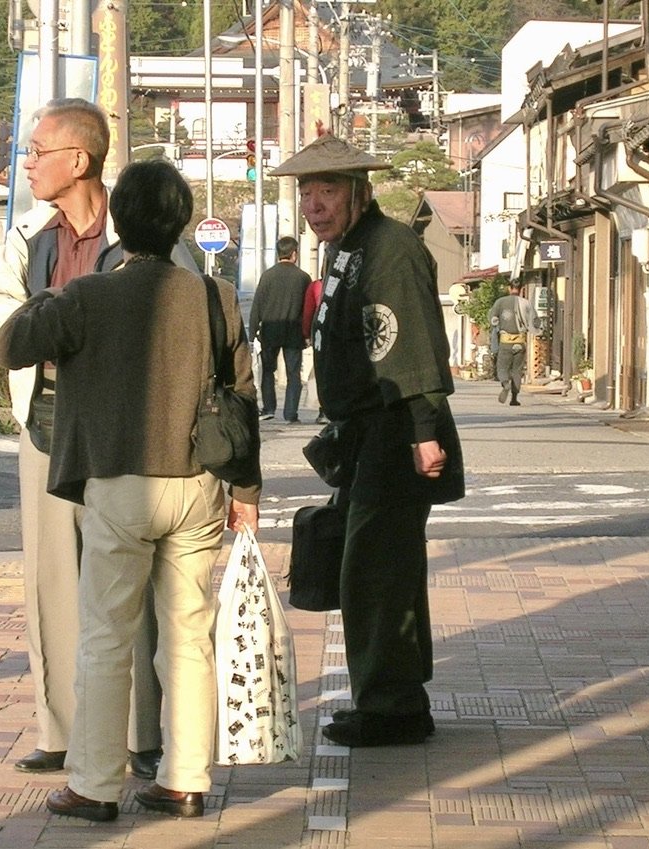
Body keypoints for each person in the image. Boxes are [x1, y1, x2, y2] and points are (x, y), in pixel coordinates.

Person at [0, 159, 262, 821]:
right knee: (188, 634)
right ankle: (184, 778)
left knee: (106, 637)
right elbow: (243, 394)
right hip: (198, 482)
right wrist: (246, 490)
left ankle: (94, 783)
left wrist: (52, 302)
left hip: (117, 480)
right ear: (180, 224)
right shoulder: (212, 295)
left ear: (121, 220)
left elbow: (10, 345)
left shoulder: (88, 296)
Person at [0, 98, 164, 779]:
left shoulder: (137, 226)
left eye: (35, 151)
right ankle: (59, 728)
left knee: (127, 582)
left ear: (77, 160)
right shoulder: (30, 233)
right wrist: (45, 323)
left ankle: (143, 736)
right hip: (48, 419)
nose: (23, 163)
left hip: (121, 428)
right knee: (51, 579)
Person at [273, 133, 465, 747]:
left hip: (396, 431)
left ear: (359, 190)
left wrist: (425, 431)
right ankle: (398, 695)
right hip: (363, 434)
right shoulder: (347, 249)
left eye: (326, 189)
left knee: (375, 572)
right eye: (306, 192)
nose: (314, 204)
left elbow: (410, 345)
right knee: (383, 569)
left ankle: (390, 706)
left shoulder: (391, 248)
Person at [249, 236, 312, 423]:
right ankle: (290, 413)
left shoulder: (267, 276)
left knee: (268, 371)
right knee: (294, 374)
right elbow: (307, 308)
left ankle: (268, 408)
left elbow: (257, 306)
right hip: (294, 333)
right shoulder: (303, 278)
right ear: (294, 254)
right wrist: (307, 332)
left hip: (270, 331)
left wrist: (252, 334)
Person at [488, 280, 540, 407]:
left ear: (509, 288)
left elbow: (493, 319)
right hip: (520, 341)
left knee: (502, 368)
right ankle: (514, 398)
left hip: (505, 342)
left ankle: (505, 384)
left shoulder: (500, 302)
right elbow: (535, 322)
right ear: (521, 289)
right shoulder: (526, 303)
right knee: (517, 371)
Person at [301, 277, 328, 424]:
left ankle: (323, 410)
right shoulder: (348, 281)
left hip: (321, 333)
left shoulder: (317, 286)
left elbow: (308, 311)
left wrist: (306, 334)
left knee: (322, 370)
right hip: (344, 333)